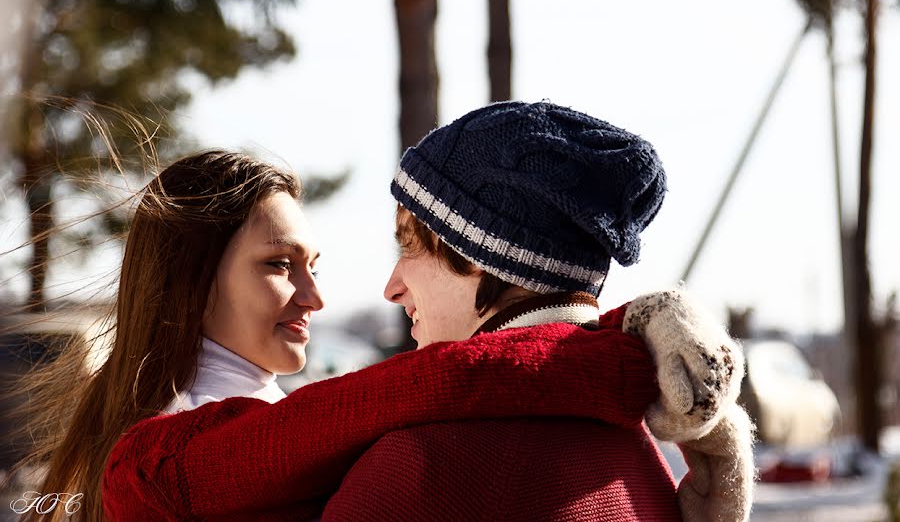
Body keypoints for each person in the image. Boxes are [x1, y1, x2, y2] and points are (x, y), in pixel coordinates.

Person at [10, 147, 735, 521]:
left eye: (312, 265)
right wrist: (608, 349)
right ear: (188, 280)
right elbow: (432, 385)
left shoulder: (295, 421)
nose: (315, 296)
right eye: (278, 266)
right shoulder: (181, 445)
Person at [322, 101, 755, 521]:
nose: (392, 288)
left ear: (475, 250)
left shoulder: (427, 465)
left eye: (410, 245)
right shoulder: (635, 454)